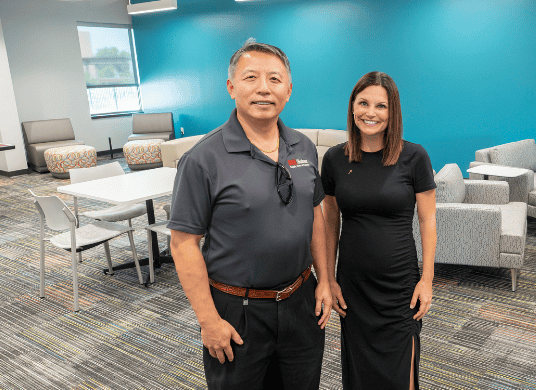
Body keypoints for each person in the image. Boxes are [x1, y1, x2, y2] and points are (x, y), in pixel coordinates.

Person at [166, 39, 334, 390]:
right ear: (231, 87)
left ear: (288, 90)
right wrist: (208, 320)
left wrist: (326, 280)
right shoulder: (203, 159)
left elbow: (316, 217)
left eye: (274, 79)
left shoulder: (303, 147)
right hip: (237, 310)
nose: (263, 88)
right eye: (251, 78)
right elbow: (183, 244)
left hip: (302, 300)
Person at [320, 71, 437, 390]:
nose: (370, 112)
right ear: (352, 107)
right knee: (359, 371)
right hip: (354, 286)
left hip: (399, 286)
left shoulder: (414, 157)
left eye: (381, 106)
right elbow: (330, 221)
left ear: (392, 111)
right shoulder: (333, 159)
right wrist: (328, 279)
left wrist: (426, 280)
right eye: (363, 103)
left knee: (402, 372)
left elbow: (428, 221)